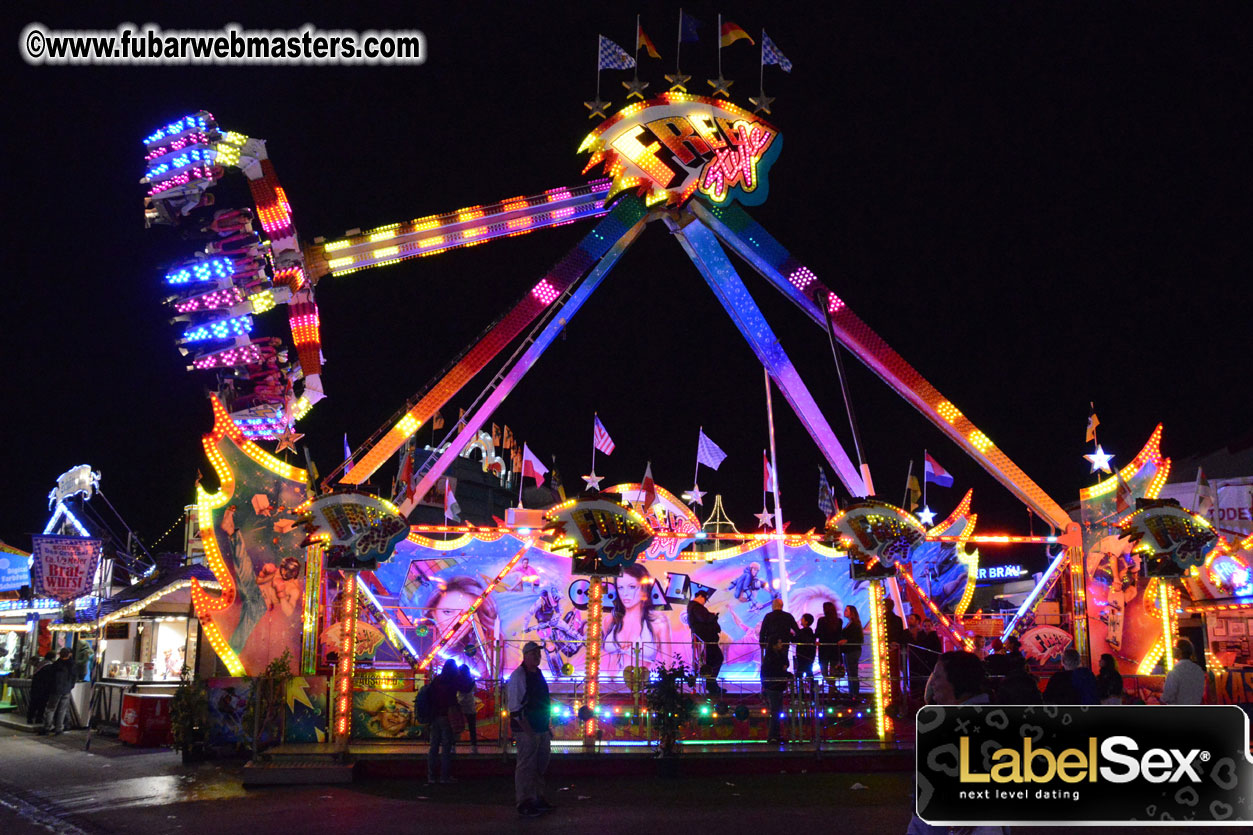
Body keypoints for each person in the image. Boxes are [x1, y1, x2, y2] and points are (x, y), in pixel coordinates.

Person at [507, 641, 553, 818]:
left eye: (538, 654)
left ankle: (537, 797)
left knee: (540, 764)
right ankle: (524, 800)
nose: (537, 656)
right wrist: (528, 731)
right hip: (527, 729)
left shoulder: (537, 674)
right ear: (525, 655)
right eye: (533, 653)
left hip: (540, 727)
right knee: (526, 765)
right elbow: (515, 707)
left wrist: (546, 726)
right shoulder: (519, 676)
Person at [602, 563, 671, 671]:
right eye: (620, 587)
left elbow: (668, 664)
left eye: (632, 587)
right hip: (610, 683)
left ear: (644, 588)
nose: (625, 593)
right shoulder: (610, 620)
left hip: (642, 684)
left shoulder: (658, 622)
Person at [426, 660, 459, 785]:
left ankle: (431, 776)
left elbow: (430, 695)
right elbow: (463, 689)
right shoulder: (452, 680)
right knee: (446, 748)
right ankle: (444, 777)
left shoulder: (437, 679)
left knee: (433, 747)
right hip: (447, 715)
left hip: (435, 715)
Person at [686, 590, 723, 696]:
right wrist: (713, 616)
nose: (705, 602)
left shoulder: (692, 607)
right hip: (707, 640)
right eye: (705, 599)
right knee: (717, 659)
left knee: (710, 662)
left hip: (705, 640)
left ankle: (711, 684)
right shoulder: (696, 607)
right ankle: (711, 684)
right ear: (701, 596)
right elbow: (704, 618)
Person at [761, 635, 792, 744]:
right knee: (775, 711)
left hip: (778, 685)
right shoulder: (770, 657)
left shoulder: (778, 655)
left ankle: (776, 735)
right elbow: (775, 670)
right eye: (779, 643)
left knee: (778, 711)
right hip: (773, 686)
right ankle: (772, 736)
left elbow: (785, 664)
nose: (781, 645)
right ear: (774, 645)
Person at [1162, 638, 1206, 704]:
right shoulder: (1199, 670)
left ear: (1179, 651)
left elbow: (1167, 697)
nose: (1172, 650)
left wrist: (1159, 698)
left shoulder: (1175, 672)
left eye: (1174, 648)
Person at [42, 648, 75, 735]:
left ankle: (47, 727)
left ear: (60, 654)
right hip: (66, 690)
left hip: (55, 689)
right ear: (69, 655)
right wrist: (70, 687)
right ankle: (59, 728)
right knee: (62, 710)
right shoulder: (71, 664)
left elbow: (50, 678)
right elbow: (74, 677)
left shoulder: (56, 665)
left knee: (51, 708)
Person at [838, 605, 864, 699]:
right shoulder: (850, 623)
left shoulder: (855, 624)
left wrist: (847, 641)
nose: (844, 612)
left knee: (852, 672)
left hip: (853, 650)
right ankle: (852, 693)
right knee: (850, 673)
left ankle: (854, 694)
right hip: (848, 650)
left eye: (846, 610)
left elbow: (859, 639)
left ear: (852, 612)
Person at [814, 602, 843, 686]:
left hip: (824, 648)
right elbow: (839, 634)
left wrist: (814, 639)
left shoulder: (821, 620)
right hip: (834, 648)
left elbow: (817, 633)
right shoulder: (838, 621)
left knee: (824, 671)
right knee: (833, 671)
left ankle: (831, 686)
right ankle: (832, 688)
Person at [27, 651, 57, 726]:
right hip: (44, 689)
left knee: (33, 704)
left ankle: (30, 718)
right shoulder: (49, 666)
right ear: (52, 658)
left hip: (35, 688)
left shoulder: (41, 665)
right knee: (42, 705)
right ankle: (38, 718)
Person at [456, 664, 478, 749]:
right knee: (472, 726)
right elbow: (475, 690)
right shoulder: (471, 680)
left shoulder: (458, 680)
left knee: (456, 725)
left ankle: (453, 744)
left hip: (460, 704)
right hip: (470, 704)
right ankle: (473, 745)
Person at [793, 613, 817, 685]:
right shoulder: (811, 632)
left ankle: (801, 692)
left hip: (802, 655)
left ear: (806, 621)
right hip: (809, 656)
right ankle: (811, 691)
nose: (801, 619)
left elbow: (795, 640)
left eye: (802, 618)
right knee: (809, 672)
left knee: (800, 673)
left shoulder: (802, 632)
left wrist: (791, 635)